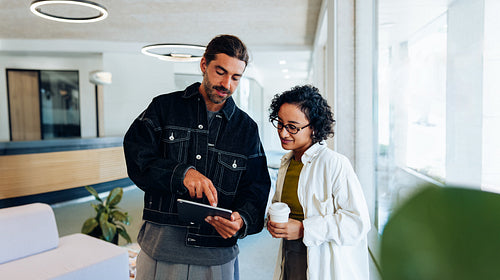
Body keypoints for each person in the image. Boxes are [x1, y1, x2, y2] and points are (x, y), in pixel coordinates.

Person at [123, 34, 271, 280]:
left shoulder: (247, 129)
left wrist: (242, 220)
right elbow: (137, 158)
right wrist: (181, 173)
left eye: (236, 77)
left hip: (217, 258)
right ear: (204, 65)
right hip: (160, 251)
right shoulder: (163, 108)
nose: (227, 84)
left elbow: (256, 188)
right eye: (220, 72)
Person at [266, 85, 371, 280]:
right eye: (280, 123)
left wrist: (304, 228)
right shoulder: (286, 163)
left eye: (293, 127)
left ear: (313, 127)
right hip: (290, 258)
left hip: (324, 264)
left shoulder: (334, 163)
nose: (283, 133)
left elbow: (358, 222)